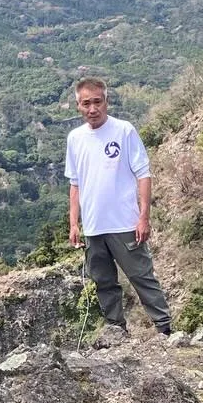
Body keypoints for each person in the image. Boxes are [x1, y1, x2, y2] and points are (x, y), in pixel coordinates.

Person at [65, 77, 172, 338]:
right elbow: (75, 183)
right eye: (86, 103)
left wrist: (143, 217)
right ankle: (116, 331)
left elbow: (143, 174)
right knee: (103, 282)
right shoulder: (75, 138)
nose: (92, 109)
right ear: (78, 106)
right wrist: (74, 223)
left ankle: (165, 329)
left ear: (106, 101)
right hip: (93, 226)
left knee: (142, 277)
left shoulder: (124, 131)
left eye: (97, 102)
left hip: (125, 223)